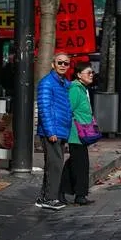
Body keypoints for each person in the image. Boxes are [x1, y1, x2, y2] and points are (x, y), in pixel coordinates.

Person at [36, 53, 73, 210]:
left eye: (66, 63)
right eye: (60, 62)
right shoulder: (47, 83)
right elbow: (44, 108)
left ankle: (44, 197)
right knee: (55, 165)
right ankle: (50, 199)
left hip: (61, 130)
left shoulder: (64, 84)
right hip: (52, 132)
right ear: (53, 64)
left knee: (53, 164)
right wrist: (51, 132)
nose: (63, 65)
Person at [60, 62, 95, 205]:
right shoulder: (75, 89)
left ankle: (62, 191)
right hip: (76, 132)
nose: (92, 75)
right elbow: (69, 109)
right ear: (79, 75)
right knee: (80, 164)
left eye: (92, 72)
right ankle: (80, 195)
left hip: (82, 132)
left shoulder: (82, 88)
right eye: (88, 73)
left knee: (74, 163)